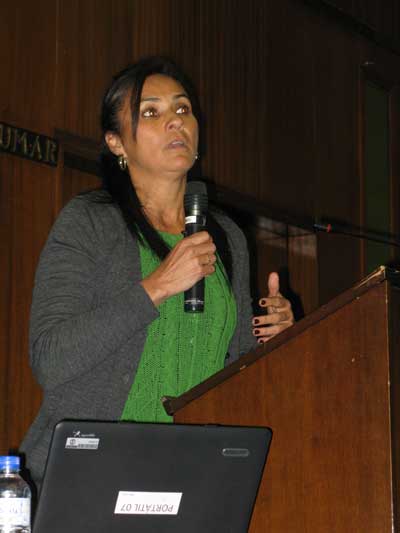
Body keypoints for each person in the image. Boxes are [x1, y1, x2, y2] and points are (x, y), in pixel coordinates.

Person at [20, 56, 294, 487]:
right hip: (93, 472)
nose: (175, 122)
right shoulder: (90, 222)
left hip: (194, 471)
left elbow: (237, 370)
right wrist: (158, 286)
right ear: (116, 143)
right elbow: (51, 359)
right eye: (152, 112)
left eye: (183, 109)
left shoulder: (226, 237)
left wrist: (275, 340)